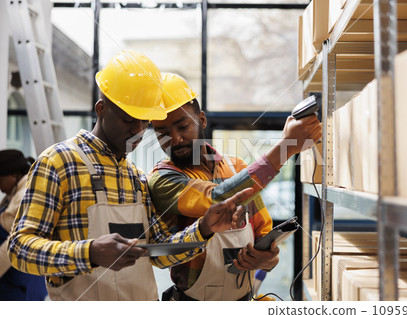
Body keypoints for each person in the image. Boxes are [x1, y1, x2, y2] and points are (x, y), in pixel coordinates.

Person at [7, 50, 251, 301]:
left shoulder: (136, 179)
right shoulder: (59, 163)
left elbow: (159, 253)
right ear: (101, 109)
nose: (138, 130)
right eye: (128, 119)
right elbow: (19, 249)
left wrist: (204, 228)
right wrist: (89, 253)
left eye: (145, 122)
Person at [148, 73, 322, 301]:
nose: (176, 139)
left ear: (201, 120)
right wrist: (285, 149)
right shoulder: (163, 179)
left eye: (182, 127)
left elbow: (264, 234)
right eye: (163, 134)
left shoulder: (236, 167)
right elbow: (217, 198)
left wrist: (268, 259)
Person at [0, 150, 47, 300]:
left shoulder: (26, 195)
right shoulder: (14, 194)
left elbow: (15, 242)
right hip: (12, 277)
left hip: (20, 280)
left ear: (12, 176)